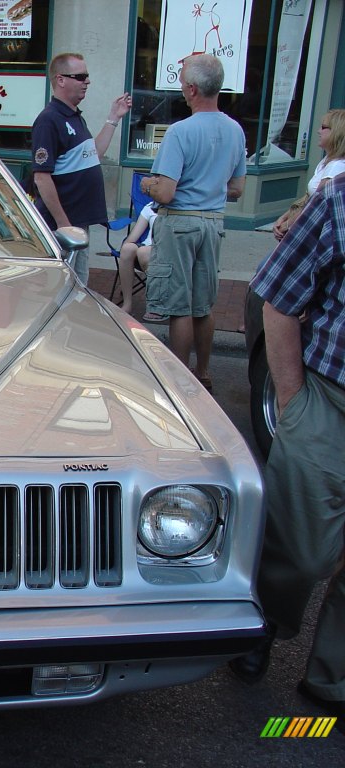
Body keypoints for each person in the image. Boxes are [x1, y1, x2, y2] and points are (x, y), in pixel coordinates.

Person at [227, 174, 345, 719]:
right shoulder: (338, 198)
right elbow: (278, 302)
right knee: (302, 549)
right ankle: (264, 624)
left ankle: (329, 681)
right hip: (329, 400)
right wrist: (294, 403)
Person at [139, 54, 246, 391]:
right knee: (203, 305)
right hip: (212, 222)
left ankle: (179, 378)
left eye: (183, 81)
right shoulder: (235, 130)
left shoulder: (180, 132)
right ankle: (203, 372)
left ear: (192, 89)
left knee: (179, 306)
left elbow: (166, 193)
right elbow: (238, 189)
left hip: (181, 221)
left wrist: (147, 184)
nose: (182, 88)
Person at [31, 52, 132, 284]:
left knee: (78, 289)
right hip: (63, 226)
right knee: (59, 290)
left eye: (87, 76)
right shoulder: (49, 120)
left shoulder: (74, 117)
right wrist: (64, 225)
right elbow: (42, 178)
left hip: (79, 223)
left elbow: (93, 155)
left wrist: (113, 118)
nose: (87, 81)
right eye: (80, 76)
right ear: (61, 80)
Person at [271, 108, 345, 241]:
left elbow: (315, 204)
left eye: (323, 127)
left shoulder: (336, 167)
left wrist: (288, 225)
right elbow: (308, 197)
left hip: (316, 236)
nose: (318, 131)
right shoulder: (326, 161)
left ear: (337, 133)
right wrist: (285, 216)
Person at [117, 202, 157, 313]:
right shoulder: (150, 206)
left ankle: (156, 304)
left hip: (166, 251)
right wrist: (124, 246)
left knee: (143, 252)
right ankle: (127, 304)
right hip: (146, 248)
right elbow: (133, 237)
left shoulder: (179, 207)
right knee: (127, 249)